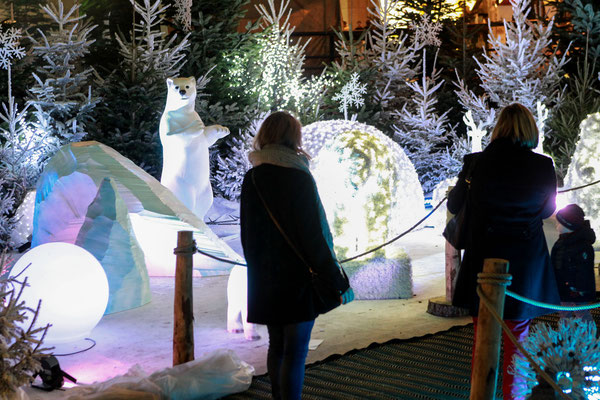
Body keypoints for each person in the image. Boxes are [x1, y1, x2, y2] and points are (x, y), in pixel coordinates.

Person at [448, 103, 560, 399]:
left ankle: (481, 393)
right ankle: (515, 395)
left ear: (499, 129)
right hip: (524, 262)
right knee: (517, 339)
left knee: (482, 335)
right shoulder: (543, 165)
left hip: (483, 258)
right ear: (529, 130)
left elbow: (453, 205)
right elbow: (548, 210)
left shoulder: (475, 163)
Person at [240, 111, 354, 400]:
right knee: (295, 352)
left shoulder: (252, 178)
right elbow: (312, 237)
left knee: (276, 347)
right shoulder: (299, 177)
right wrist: (335, 278)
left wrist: (259, 270)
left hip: (265, 277)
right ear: (294, 138)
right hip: (298, 279)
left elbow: (247, 235)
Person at [552, 203, 596, 321]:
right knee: (564, 316)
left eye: (560, 222)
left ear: (569, 225)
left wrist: (576, 290)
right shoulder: (561, 243)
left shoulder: (582, 246)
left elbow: (583, 272)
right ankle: (566, 338)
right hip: (563, 290)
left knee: (582, 316)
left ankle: (588, 339)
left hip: (577, 292)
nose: (557, 225)